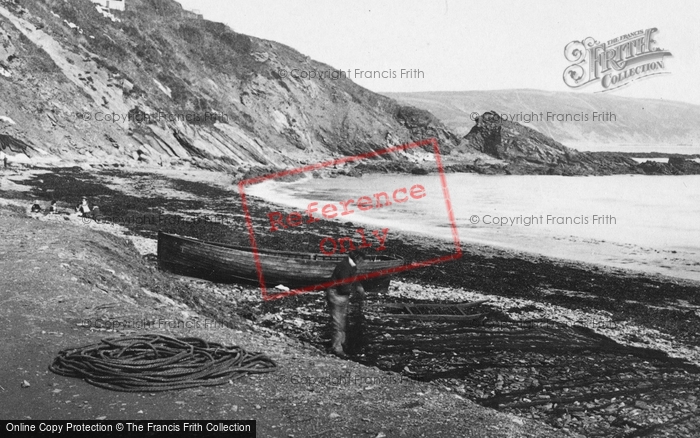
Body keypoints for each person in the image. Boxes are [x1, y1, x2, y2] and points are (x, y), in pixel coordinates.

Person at [326, 249, 366, 358]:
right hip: (336, 294)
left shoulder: (351, 265)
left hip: (342, 295)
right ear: (357, 258)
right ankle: (336, 348)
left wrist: (359, 286)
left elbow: (353, 278)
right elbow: (343, 288)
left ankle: (342, 344)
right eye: (361, 260)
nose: (362, 262)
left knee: (343, 321)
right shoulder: (344, 267)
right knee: (338, 322)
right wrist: (354, 291)